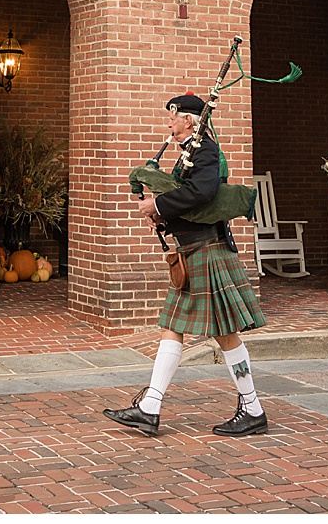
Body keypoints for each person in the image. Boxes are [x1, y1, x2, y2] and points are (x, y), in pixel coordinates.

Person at [104, 93, 269, 438]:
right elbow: (189, 204)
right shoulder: (190, 153)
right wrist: (164, 220)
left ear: (189, 120)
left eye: (173, 117)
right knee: (173, 327)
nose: (169, 123)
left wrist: (158, 206)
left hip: (208, 251)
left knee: (224, 335)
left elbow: (202, 193)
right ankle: (150, 406)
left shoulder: (206, 150)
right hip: (194, 250)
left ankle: (252, 408)